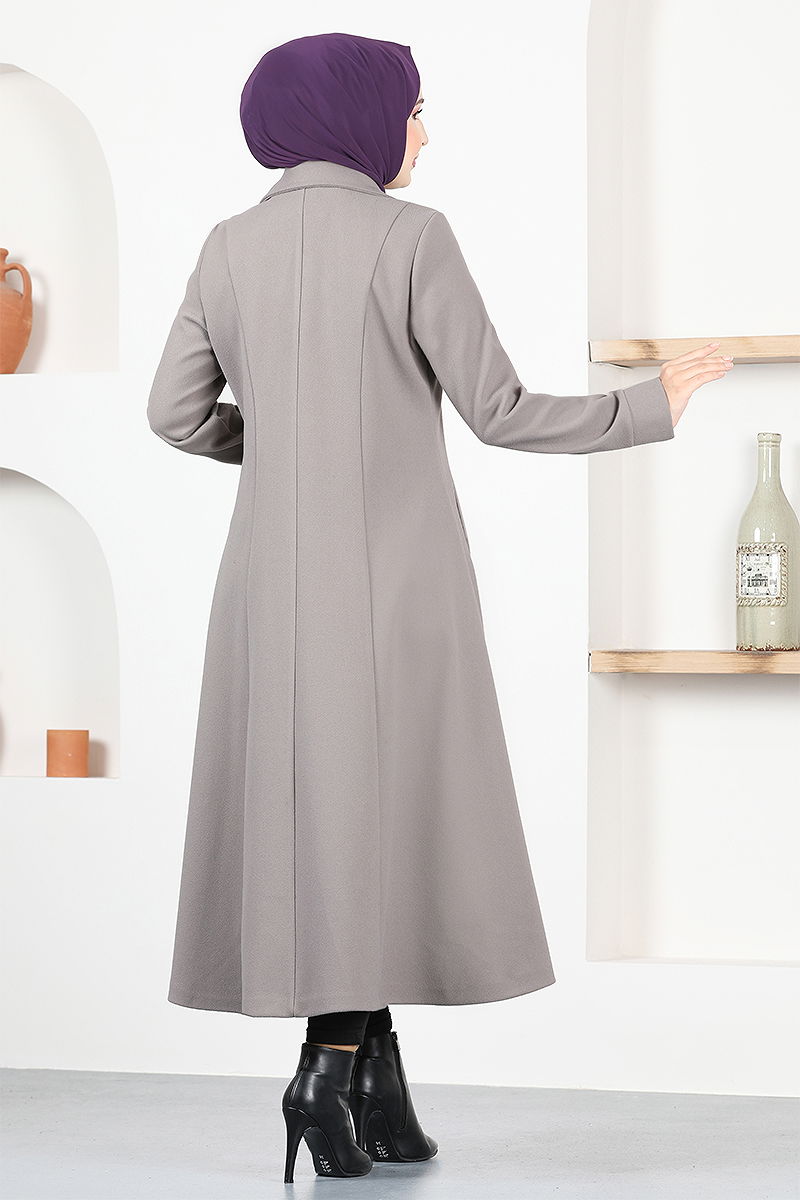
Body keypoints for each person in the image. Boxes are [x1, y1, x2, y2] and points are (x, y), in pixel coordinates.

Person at [146, 30, 734, 1185]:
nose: (423, 130)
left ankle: (377, 1098)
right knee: (385, 815)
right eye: (413, 107)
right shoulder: (410, 236)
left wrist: (281, 449)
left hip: (264, 582)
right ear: (357, 114)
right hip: (394, 578)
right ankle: (324, 1070)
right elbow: (499, 409)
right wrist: (644, 406)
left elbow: (174, 415)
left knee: (329, 817)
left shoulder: (226, 247)